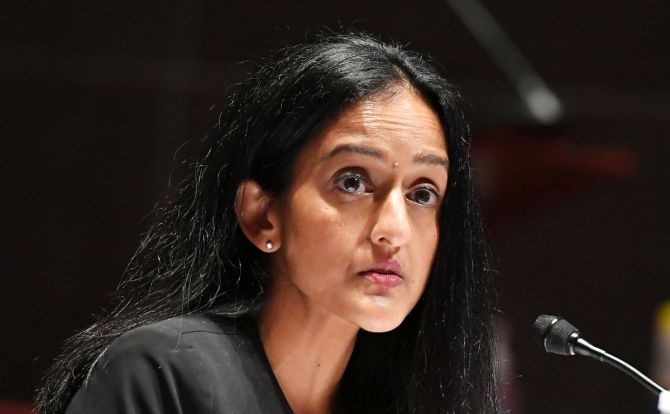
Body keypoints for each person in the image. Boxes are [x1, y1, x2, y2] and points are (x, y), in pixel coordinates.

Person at [36, 31, 499, 414]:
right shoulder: (163, 373)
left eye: (423, 194)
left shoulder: (413, 401)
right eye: (353, 182)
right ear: (262, 216)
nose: (393, 229)